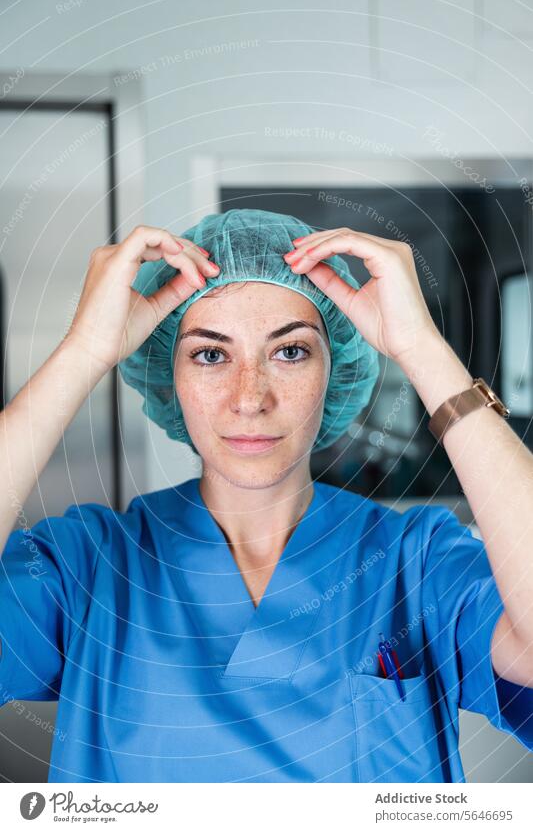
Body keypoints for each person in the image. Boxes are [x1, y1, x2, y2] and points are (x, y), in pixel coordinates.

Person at [0, 208, 532, 784]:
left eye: (290, 351)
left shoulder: (416, 562)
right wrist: (82, 353)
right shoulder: (88, 571)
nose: (249, 398)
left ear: (336, 368)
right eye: (210, 354)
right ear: (168, 379)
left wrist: (423, 348)